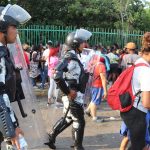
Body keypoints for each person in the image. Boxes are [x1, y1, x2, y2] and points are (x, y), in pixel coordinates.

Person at [45, 29, 92, 150]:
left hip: (73, 93)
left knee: (69, 118)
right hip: (72, 94)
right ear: (75, 44)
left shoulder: (72, 56)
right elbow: (56, 75)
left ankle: (50, 137)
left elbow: (71, 73)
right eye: (82, 43)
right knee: (79, 121)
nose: (84, 45)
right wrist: (68, 92)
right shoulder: (70, 57)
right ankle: (78, 146)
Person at [0, 4, 31, 150]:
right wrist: (11, 130)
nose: (17, 32)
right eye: (14, 27)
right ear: (2, 29)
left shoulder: (4, 52)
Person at [120, 32, 150, 150]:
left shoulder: (139, 62)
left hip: (130, 110)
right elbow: (146, 103)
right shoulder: (146, 71)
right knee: (138, 146)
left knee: (140, 146)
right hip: (137, 114)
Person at [85, 56, 107, 122]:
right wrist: (105, 91)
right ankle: (94, 117)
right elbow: (103, 78)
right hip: (98, 86)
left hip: (92, 84)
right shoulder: (101, 66)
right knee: (95, 101)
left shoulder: (93, 65)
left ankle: (88, 110)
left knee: (93, 99)